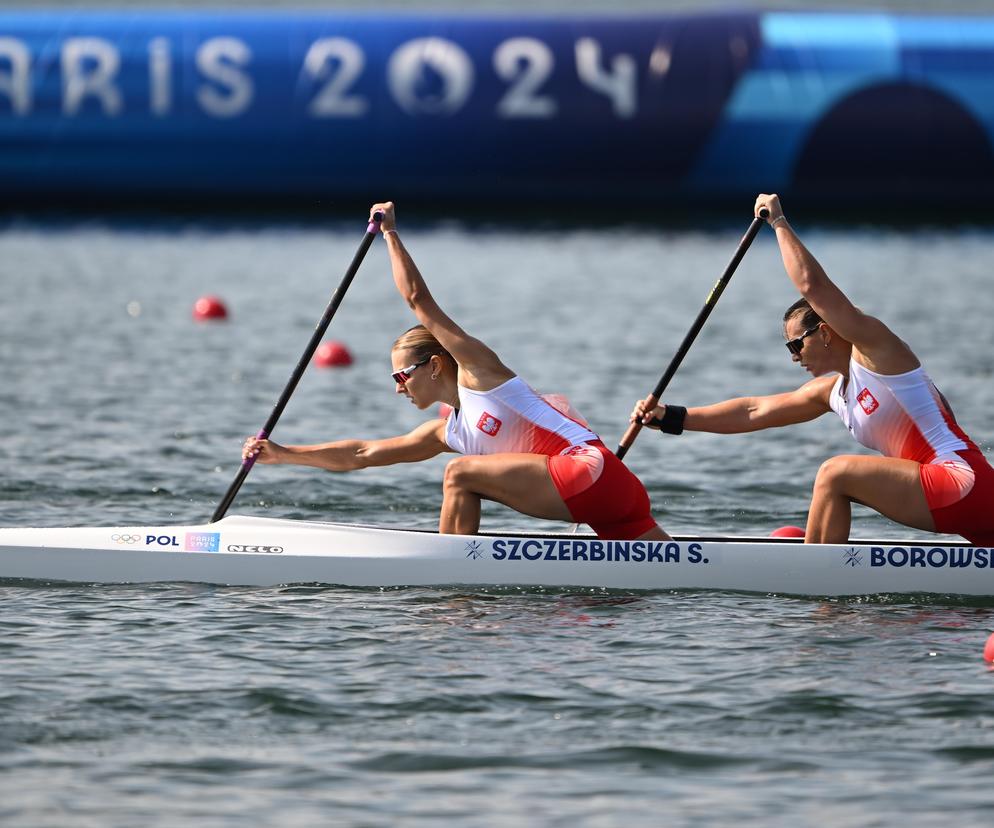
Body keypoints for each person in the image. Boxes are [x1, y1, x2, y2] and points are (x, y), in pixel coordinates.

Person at [244, 201, 670, 541]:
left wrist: (390, 233)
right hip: (617, 496)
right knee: (678, 577)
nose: (399, 388)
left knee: (459, 473)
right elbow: (362, 454)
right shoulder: (446, 431)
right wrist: (284, 454)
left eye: (401, 376)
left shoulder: (481, 374)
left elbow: (417, 300)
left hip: (590, 471)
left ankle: (451, 581)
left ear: (434, 366)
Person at [632, 193, 994, 545]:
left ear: (823, 332)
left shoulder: (879, 352)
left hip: (960, 480)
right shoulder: (834, 393)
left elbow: (813, 286)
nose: (793, 357)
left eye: (795, 344)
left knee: (834, 474)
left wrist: (777, 222)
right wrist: (669, 417)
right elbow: (753, 412)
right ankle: (817, 564)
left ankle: (817, 589)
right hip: (963, 497)